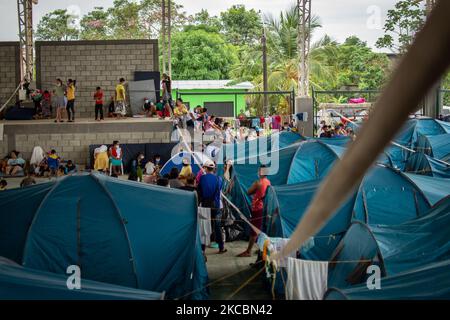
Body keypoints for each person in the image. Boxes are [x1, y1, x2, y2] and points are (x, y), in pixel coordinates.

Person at [237, 165, 271, 258]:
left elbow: (248, 192)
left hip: (257, 208)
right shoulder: (268, 182)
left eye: (259, 170)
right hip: (265, 208)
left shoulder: (258, 183)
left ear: (260, 172)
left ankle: (248, 251)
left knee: (254, 231)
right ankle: (261, 248)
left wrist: (255, 191)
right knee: (260, 229)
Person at [197, 160, 227, 254]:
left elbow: (199, 192)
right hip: (216, 206)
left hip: (205, 205)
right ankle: (221, 247)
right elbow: (221, 191)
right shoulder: (219, 179)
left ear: (205, 168)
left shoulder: (202, 178)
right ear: (214, 169)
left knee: (204, 226)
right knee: (217, 226)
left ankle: (202, 249)